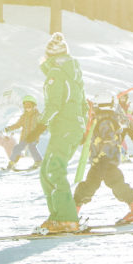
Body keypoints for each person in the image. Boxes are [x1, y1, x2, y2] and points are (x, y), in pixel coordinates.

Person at [34, 32, 88, 234]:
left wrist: (39, 126)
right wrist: (82, 127)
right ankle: (58, 215)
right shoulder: (72, 73)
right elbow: (83, 103)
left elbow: (54, 105)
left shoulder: (56, 74)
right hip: (70, 127)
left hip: (65, 127)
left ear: (48, 56)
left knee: (53, 169)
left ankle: (66, 219)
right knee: (46, 171)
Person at [73, 98, 133, 224]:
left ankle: (71, 213)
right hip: (105, 160)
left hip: (104, 160)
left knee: (90, 186)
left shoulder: (104, 120)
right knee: (116, 184)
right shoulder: (102, 119)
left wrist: (103, 156)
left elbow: (109, 139)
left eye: (93, 108)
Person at [4, 95, 45, 171]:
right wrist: (9, 128)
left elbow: (42, 125)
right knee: (17, 149)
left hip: (33, 137)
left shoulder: (38, 116)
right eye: (25, 106)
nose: (27, 108)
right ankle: (12, 162)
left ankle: (38, 161)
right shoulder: (24, 116)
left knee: (31, 147)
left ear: (34, 106)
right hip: (24, 137)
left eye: (29, 105)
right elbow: (18, 125)